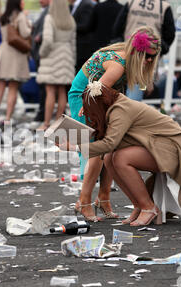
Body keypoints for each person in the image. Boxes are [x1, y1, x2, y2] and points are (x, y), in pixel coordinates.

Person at [57, 85, 181, 227]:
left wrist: (74, 147)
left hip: (172, 149)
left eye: (91, 112)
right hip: (158, 145)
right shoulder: (114, 105)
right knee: (109, 158)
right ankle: (139, 205)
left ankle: (148, 207)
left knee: (120, 158)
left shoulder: (120, 109)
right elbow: (108, 145)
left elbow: (109, 143)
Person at [68, 26, 161, 222]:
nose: (150, 60)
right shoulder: (119, 65)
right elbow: (95, 89)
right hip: (85, 99)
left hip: (98, 98)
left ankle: (103, 198)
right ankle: (84, 202)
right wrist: (90, 110)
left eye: (154, 56)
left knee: (111, 146)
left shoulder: (125, 56)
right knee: (97, 151)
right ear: (137, 52)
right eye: (147, 56)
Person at [113, 0, 175, 101]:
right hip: (147, 59)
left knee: (123, 91)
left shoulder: (131, 3)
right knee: (136, 93)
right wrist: (156, 52)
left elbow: (117, 28)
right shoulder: (164, 6)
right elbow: (170, 36)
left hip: (127, 53)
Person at [0, 0, 31, 128]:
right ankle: (7, 119)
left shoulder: (3, 16)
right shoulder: (20, 16)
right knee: (13, 87)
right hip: (16, 54)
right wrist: (29, 23)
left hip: (4, 51)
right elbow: (25, 33)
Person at [35, 0, 76, 131]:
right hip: (67, 56)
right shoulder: (71, 20)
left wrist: (41, 53)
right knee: (62, 91)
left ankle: (46, 123)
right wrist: (72, 60)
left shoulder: (50, 18)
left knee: (50, 91)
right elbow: (73, 43)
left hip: (52, 56)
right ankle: (59, 124)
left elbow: (47, 40)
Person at [31, 0, 51, 122]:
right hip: (43, 55)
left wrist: (41, 52)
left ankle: (43, 114)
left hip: (44, 56)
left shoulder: (49, 13)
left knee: (46, 88)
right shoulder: (46, 12)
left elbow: (47, 37)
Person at [68, 0, 95, 74]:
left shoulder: (87, 4)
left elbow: (85, 26)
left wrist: (69, 28)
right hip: (74, 48)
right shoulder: (71, 6)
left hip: (83, 49)